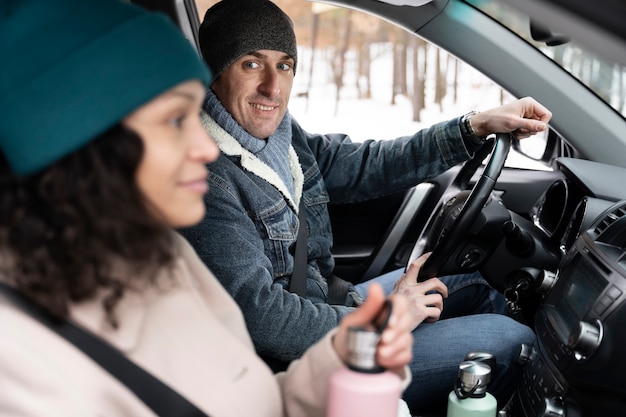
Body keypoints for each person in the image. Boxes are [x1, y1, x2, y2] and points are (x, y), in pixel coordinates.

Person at [0, 1, 416, 416]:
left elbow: (255, 405)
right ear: (86, 144)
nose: (204, 147)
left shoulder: (166, 258)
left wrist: (341, 355)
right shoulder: (19, 366)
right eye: (176, 121)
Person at [179, 0, 552, 412]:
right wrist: (387, 319)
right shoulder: (205, 180)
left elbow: (364, 165)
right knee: (514, 341)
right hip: (302, 364)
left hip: (332, 309)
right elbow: (264, 319)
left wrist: (475, 126)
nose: (272, 87)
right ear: (214, 72)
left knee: (476, 281)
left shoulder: (279, 138)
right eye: (251, 64)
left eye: (284, 65)